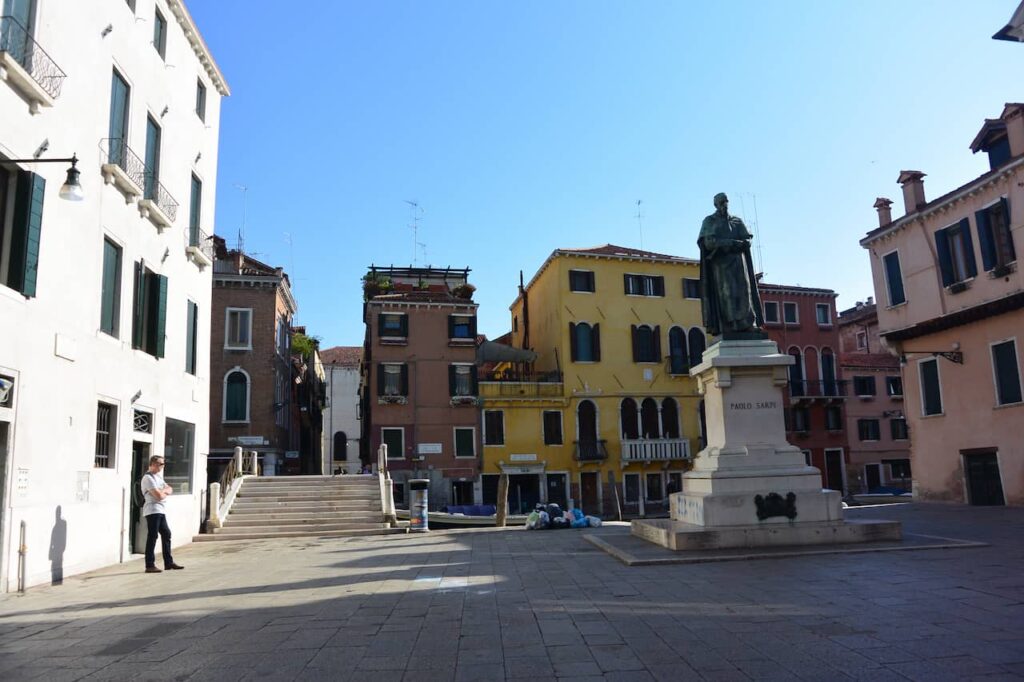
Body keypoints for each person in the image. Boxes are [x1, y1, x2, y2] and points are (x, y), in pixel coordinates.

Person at [698, 192, 765, 337]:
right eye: (721, 202)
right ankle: (731, 325)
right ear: (715, 205)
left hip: (739, 263)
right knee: (728, 294)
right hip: (721, 265)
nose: (724, 205)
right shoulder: (709, 221)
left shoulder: (737, 221)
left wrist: (744, 243)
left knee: (745, 292)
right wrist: (731, 243)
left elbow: (747, 239)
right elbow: (709, 243)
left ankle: (748, 325)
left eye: (726, 201)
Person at [140, 455, 184, 573]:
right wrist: (163, 492)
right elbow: (158, 497)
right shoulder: (148, 478)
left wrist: (163, 491)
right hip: (153, 510)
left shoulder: (158, 477)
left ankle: (168, 562)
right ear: (153, 464)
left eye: (163, 464)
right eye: (161, 464)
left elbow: (170, 488)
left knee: (166, 533)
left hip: (160, 510)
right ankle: (149, 565)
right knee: (153, 536)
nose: (163, 466)